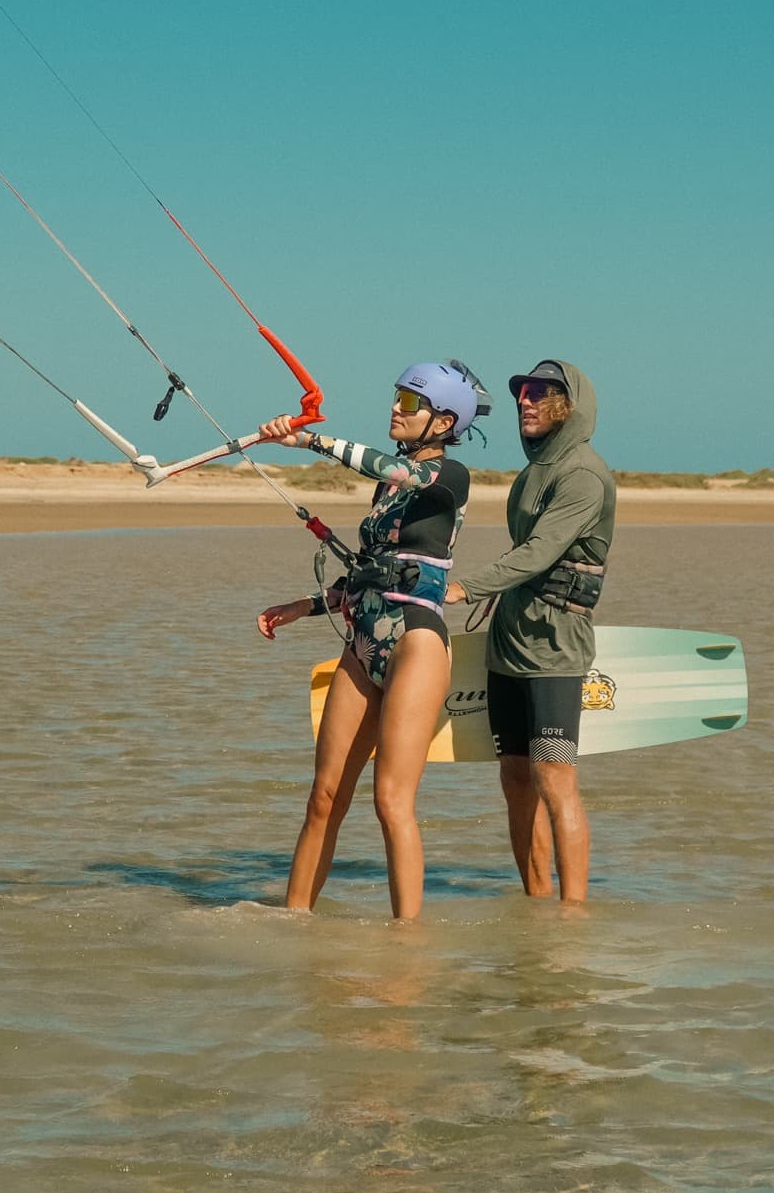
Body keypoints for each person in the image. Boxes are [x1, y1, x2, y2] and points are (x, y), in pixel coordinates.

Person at [256, 361, 486, 919]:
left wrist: (310, 439)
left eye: (410, 403)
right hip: (362, 639)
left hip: (416, 643)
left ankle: (407, 941)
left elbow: (401, 476)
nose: (395, 409)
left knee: (390, 801)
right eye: (396, 398)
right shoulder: (389, 481)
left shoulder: (450, 477)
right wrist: (304, 606)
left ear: (444, 420)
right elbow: (371, 572)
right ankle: (294, 923)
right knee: (324, 798)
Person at [445, 360, 614, 904]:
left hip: (554, 653)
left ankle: (573, 912)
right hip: (506, 648)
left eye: (541, 392)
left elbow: (540, 553)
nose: (525, 400)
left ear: (570, 404)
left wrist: (464, 588)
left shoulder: (583, 474)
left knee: (555, 781)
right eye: (521, 391)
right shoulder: (533, 472)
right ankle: (536, 900)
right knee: (516, 781)